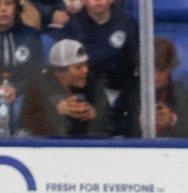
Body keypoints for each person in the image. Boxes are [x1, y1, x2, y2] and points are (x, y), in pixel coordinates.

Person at [61, 0, 138, 136]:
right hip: (87, 93)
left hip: (123, 92)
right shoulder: (73, 26)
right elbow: (67, 70)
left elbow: (137, 61)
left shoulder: (127, 22)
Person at [19, 38, 109, 136]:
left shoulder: (93, 81)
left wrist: (95, 115)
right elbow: (26, 123)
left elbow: (111, 118)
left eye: (86, 65)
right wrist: (56, 112)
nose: (85, 70)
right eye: (78, 67)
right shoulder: (40, 87)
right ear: (60, 72)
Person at [153, 37, 188, 138]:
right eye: (152, 71)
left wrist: (172, 120)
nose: (155, 76)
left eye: (161, 71)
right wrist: (136, 124)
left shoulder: (182, 95)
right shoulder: (131, 93)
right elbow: (117, 129)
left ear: (171, 68)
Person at [0, 0, 44, 99]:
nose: (3, 9)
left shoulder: (31, 35)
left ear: (16, 7)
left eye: (8, 3)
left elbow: (38, 73)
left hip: (25, 95)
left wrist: (17, 88)